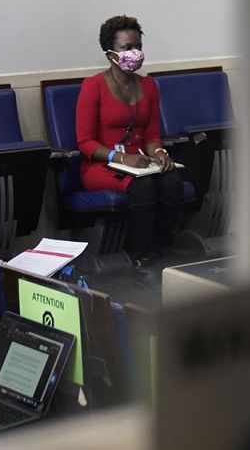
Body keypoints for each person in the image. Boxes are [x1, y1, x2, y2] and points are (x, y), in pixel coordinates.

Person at [76, 15, 184, 273]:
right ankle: (141, 257)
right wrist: (122, 158)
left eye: (137, 47)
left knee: (172, 180)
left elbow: (152, 135)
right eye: (127, 48)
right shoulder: (93, 86)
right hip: (102, 165)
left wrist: (159, 153)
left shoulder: (148, 85)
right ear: (110, 52)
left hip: (141, 162)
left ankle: (161, 250)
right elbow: (85, 143)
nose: (134, 53)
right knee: (144, 186)